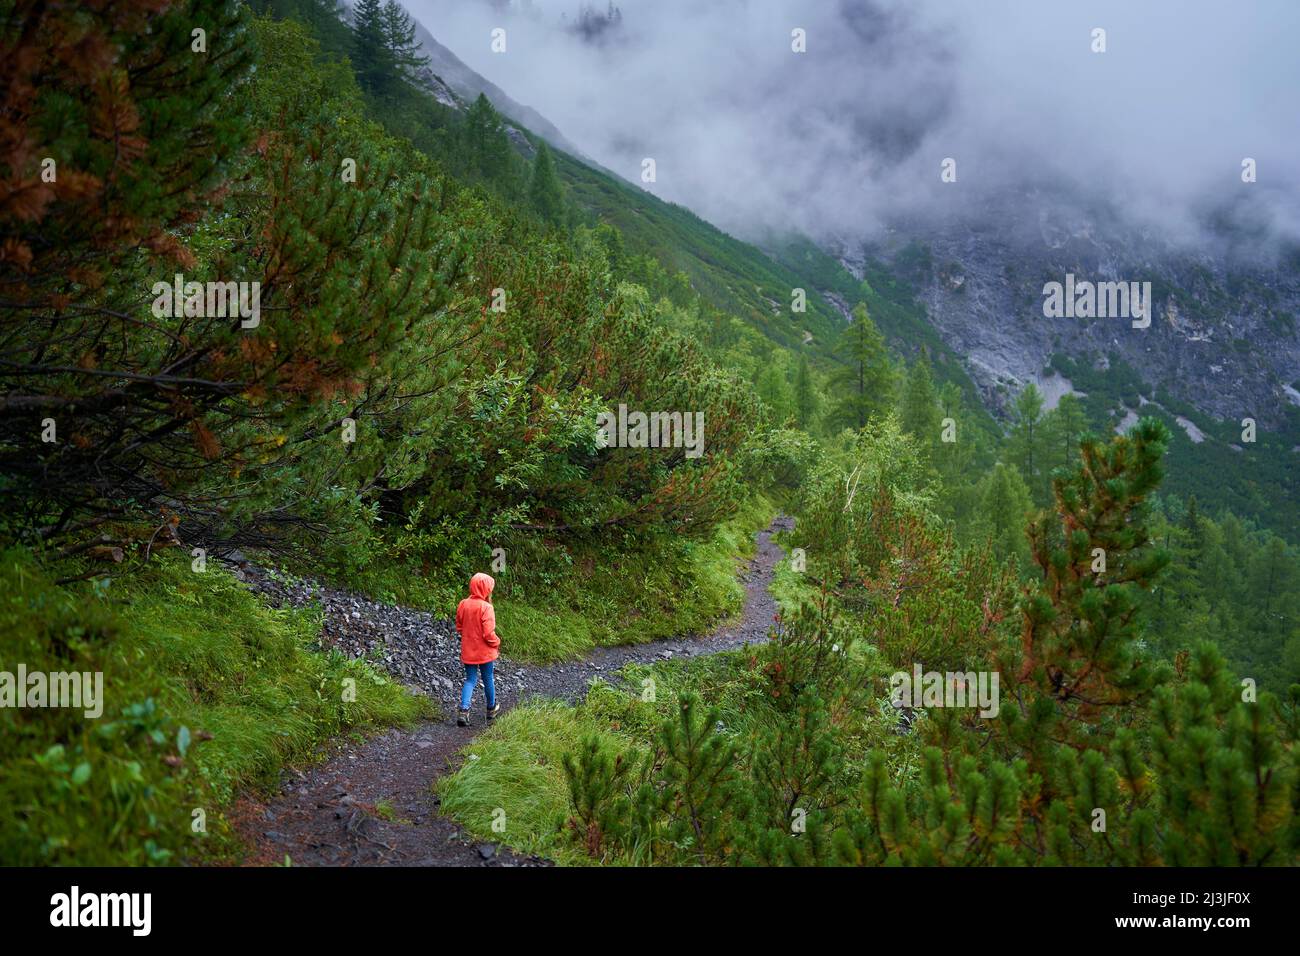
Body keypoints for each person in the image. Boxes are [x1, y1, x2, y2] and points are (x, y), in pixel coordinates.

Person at [455, 572, 501, 726]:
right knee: (488, 678)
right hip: (485, 652)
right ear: (486, 589)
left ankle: (464, 710)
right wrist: (496, 642)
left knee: (470, 680)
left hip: (468, 650)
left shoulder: (463, 604)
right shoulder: (486, 607)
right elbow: (488, 634)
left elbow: (459, 627)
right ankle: (491, 709)